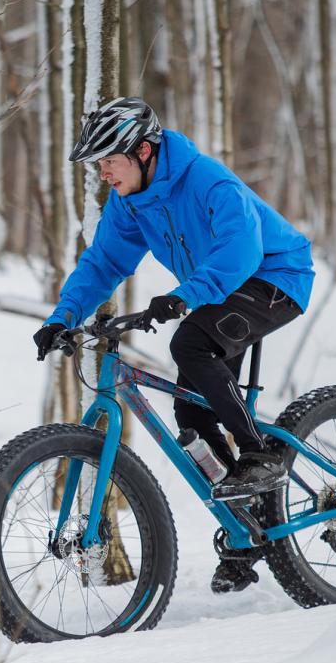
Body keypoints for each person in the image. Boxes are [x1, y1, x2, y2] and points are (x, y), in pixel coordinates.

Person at [33, 96, 315, 593]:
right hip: (220, 287)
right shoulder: (129, 203)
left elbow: (241, 248)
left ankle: (259, 453)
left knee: (191, 345)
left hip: (275, 276)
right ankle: (247, 528)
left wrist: (185, 296)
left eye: (109, 161)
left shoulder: (207, 180)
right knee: (193, 416)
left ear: (143, 151)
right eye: (98, 165)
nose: (103, 174)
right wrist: (62, 318)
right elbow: (103, 264)